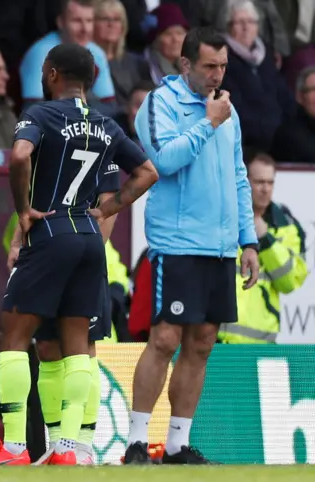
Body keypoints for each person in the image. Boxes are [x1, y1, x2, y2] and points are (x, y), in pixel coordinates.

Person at [0, 42, 158, 466]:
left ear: (51, 73)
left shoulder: (40, 115)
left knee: (14, 337)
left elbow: (20, 155)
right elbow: (147, 172)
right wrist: (109, 208)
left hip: (50, 231)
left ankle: (15, 447)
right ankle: (68, 450)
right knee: (77, 346)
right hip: (90, 239)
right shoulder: (108, 125)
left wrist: (23, 210)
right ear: (92, 77)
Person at [127, 27, 260, 465]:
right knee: (165, 338)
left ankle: (178, 446)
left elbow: (239, 178)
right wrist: (208, 122)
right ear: (184, 64)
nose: (217, 74)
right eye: (209, 66)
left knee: (202, 342)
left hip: (221, 247)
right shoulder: (158, 105)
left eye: (223, 66)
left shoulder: (228, 110)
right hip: (178, 243)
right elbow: (162, 160)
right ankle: (135, 443)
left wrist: (248, 241)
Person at [1, 160, 124, 465]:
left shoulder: (97, 130)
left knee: (83, 346)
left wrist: (94, 248)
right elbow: (30, 199)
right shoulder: (43, 132)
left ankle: (81, 445)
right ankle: (57, 445)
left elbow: (111, 199)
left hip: (83, 257)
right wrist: (20, 240)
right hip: (45, 257)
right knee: (46, 348)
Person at [219, 151, 307, 343]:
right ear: (245, 181)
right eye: (259, 182)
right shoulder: (222, 217)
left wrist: (265, 240)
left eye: (270, 182)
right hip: (216, 340)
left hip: (262, 344)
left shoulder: (288, 227)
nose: (265, 189)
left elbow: (290, 282)